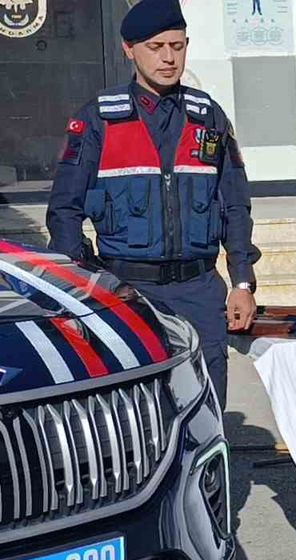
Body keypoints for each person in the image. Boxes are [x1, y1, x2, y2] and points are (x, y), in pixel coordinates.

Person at [46, 0, 259, 409]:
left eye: (177, 46)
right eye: (156, 47)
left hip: (199, 291)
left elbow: (235, 205)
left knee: (207, 406)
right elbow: (64, 212)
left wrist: (242, 283)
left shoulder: (208, 118)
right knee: (137, 411)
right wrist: (86, 283)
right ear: (129, 49)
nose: (168, 58)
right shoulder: (98, 121)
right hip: (128, 292)